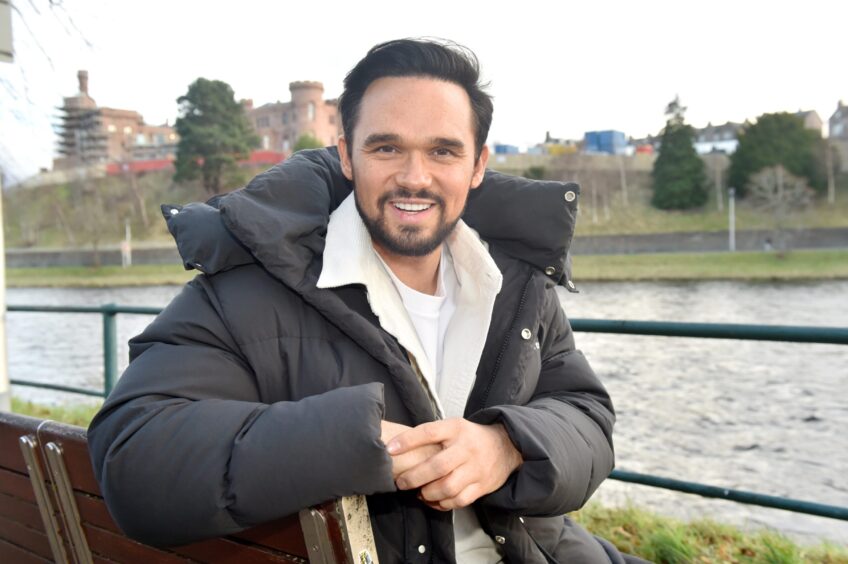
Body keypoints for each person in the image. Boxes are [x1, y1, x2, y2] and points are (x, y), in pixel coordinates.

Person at [88, 39, 638, 563]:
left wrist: (509, 444)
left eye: (443, 150)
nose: (414, 177)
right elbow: (134, 457)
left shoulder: (519, 284)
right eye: (387, 147)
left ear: (477, 166)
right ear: (347, 156)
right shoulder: (246, 290)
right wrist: (355, 440)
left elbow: (587, 416)